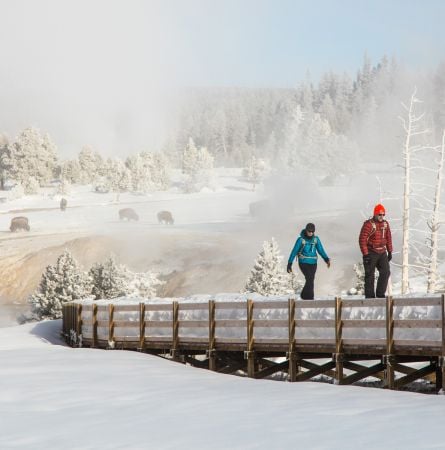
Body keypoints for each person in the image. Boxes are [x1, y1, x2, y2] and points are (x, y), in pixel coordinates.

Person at [287, 223, 331, 300]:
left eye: (312, 231)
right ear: (306, 230)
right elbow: (294, 251)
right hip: (303, 262)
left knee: (311, 279)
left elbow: (321, 250)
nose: (310, 233)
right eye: (309, 231)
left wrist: (326, 259)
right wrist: (289, 263)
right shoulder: (301, 240)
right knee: (310, 278)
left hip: (313, 263)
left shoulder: (316, 239)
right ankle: (308, 297)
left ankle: (307, 297)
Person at [359, 203, 393, 298]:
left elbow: (388, 237)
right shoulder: (368, 225)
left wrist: (390, 251)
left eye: (383, 214)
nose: (381, 216)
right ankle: (370, 297)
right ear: (375, 214)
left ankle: (380, 294)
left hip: (382, 252)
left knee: (386, 272)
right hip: (371, 252)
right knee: (370, 274)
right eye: (379, 214)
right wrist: (365, 254)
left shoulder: (385, 224)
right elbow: (362, 239)